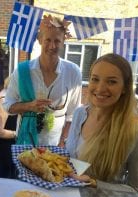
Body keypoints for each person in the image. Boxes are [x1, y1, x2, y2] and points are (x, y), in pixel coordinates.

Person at [65, 53, 138, 193]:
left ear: (125, 87)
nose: (100, 88)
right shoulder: (79, 114)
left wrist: (93, 183)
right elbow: (71, 158)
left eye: (111, 82)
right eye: (95, 79)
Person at [4, 14, 82, 146]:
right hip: (25, 143)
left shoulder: (73, 72)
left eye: (57, 41)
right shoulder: (22, 71)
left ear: (63, 41)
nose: (52, 46)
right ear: (40, 40)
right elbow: (7, 106)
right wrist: (29, 106)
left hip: (56, 144)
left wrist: (63, 142)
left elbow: (73, 115)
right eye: (48, 40)